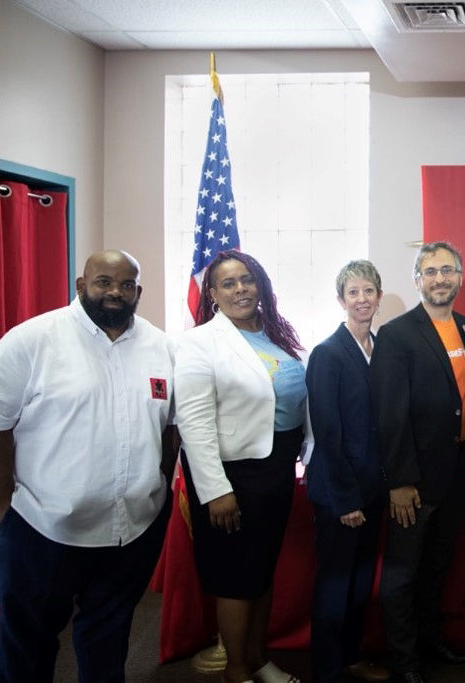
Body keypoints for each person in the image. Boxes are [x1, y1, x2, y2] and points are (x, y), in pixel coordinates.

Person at [0, 250, 175, 682]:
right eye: (103, 282)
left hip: (131, 530)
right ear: (81, 286)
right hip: (44, 529)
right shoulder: (32, 340)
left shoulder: (161, 346)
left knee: (108, 640)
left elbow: (170, 430)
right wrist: (2, 504)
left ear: (139, 291)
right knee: (29, 644)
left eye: (126, 284)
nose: (115, 292)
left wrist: (159, 491)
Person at [175, 249, 307, 683]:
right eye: (228, 283)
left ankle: (258, 658)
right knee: (235, 577)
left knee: (261, 571)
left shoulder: (274, 334)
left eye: (246, 279)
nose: (240, 289)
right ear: (212, 293)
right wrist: (215, 490)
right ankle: (236, 671)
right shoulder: (200, 342)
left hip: (275, 470)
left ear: (260, 284)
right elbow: (193, 422)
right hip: (232, 477)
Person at [370, 242, 465, 683]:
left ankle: (431, 643)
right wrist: (399, 481)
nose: (440, 279)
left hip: (457, 472)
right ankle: (405, 661)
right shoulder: (398, 334)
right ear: (417, 279)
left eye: (448, 270)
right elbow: (389, 415)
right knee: (402, 574)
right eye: (431, 271)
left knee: (439, 565)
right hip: (413, 481)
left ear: (460, 276)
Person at [306, 260, 390, 683]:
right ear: (341, 299)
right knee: (337, 583)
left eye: (368, 291)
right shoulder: (328, 353)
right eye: (353, 293)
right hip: (341, 492)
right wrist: (346, 499)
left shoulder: (381, 348)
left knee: (360, 582)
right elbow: (327, 431)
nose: (361, 300)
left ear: (378, 296)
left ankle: (352, 655)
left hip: (374, 487)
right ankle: (326, 668)